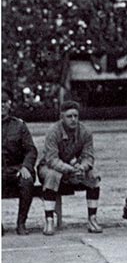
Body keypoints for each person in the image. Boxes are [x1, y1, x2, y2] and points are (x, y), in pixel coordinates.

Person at [37, 100, 102, 235]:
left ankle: (92, 218)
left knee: (93, 175)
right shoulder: (53, 131)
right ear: (62, 117)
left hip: (74, 167)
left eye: (75, 116)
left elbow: (88, 156)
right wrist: (70, 169)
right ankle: (49, 220)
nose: (73, 119)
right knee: (52, 175)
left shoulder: (85, 132)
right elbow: (52, 159)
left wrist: (82, 167)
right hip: (50, 167)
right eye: (69, 116)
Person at [2, 88, 37, 235]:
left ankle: (21, 223)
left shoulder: (19, 125)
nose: (1, 105)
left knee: (27, 181)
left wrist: (26, 167)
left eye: (4, 102)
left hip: (16, 168)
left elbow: (31, 150)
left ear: (10, 104)